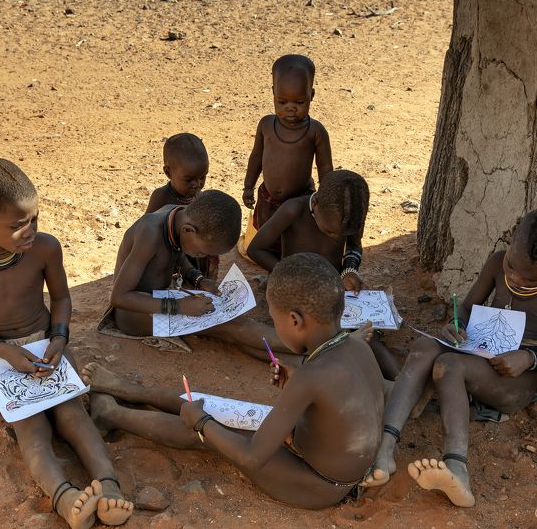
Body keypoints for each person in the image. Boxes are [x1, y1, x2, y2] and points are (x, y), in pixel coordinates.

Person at [82, 253, 388, 508]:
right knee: (219, 409)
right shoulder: (356, 345)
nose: (276, 327)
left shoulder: (311, 376)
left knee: (208, 433)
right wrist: (294, 386)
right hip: (319, 454)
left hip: (318, 484)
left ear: (294, 320)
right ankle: (129, 390)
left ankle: (110, 413)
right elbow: (339, 408)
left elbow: (252, 457)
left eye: (275, 318)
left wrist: (201, 422)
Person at [0, 158, 133, 528]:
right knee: (31, 427)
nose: (30, 231)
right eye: (17, 225)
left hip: (47, 346)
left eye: (35, 219)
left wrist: (59, 336)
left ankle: (109, 487)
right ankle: (64, 497)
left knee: (73, 414)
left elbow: (60, 298)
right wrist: (2, 349)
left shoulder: (45, 248)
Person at [362, 208, 537, 509]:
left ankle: (457, 469)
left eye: (529, 279)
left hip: (515, 380)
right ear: (511, 234)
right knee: (427, 347)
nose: (515, 279)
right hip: (477, 354)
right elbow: (465, 309)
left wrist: (528, 359)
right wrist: (456, 326)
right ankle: (384, 450)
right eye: (511, 267)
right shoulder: (496, 263)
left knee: (448, 365)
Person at [247, 169, 400, 379]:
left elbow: (354, 246)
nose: (337, 237)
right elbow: (255, 249)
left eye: (341, 235)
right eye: (330, 232)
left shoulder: (350, 217)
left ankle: (401, 382)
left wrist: (349, 269)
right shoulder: (293, 210)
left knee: (369, 336)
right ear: (316, 204)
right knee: (314, 336)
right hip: (297, 292)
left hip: (332, 292)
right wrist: (290, 275)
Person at [111, 189, 287, 361]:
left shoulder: (178, 219)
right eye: (202, 252)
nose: (202, 257)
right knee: (230, 326)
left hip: (163, 297)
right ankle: (306, 347)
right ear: (189, 230)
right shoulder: (149, 234)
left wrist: (198, 279)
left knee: (228, 327)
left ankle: (298, 360)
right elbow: (119, 297)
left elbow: (175, 254)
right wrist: (179, 306)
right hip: (135, 314)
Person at [242, 54, 334, 256]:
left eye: (299, 102)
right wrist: (248, 186)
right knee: (266, 240)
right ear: (273, 93)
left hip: (299, 200)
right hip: (268, 198)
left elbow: (325, 166)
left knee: (296, 242)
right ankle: (271, 265)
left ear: (312, 94)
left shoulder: (315, 131)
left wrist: (326, 197)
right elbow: (256, 156)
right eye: (282, 101)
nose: (290, 109)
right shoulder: (266, 125)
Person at [145, 132, 219, 281]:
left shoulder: (199, 196)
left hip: (196, 260)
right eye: (189, 179)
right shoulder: (162, 197)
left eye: (202, 177)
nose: (197, 184)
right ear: (168, 172)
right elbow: (146, 232)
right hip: (170, 264)